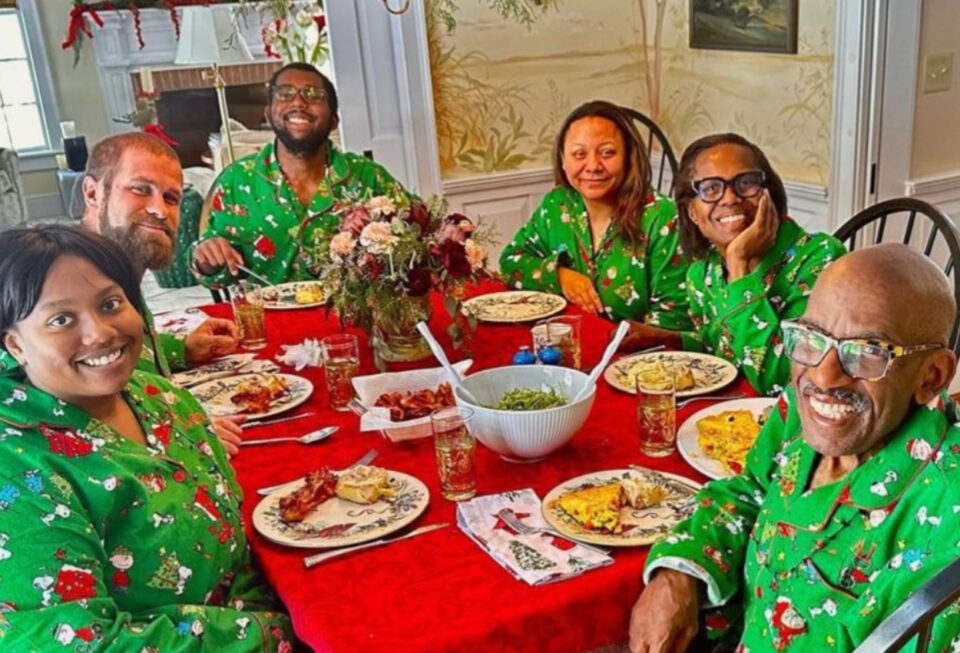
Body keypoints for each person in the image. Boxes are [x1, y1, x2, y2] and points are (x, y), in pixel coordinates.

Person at [629, 244, 960, 653]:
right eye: (811, 338)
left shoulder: (944, 519)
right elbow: (749, 489)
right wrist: (680, 572)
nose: (823, 375)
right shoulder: (797, 414)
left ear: (932, 376)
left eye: (867, 353)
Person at [0, 225, 294, 650]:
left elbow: (234, 545)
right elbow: (78, 642)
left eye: (111, 303)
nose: (100, 332)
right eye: (61, 319)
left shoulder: (161, 398)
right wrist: (271, 634)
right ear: (16, 345)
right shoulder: (17, 469)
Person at [622, 133, 846, 395]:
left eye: (746, 183)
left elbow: (779, 381)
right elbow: (724, 349)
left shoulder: (821, 260)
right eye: (710, 189)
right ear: (692, 212)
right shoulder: (703, 274)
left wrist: (738, 262)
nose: (730, 198)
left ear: (768, 193)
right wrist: (667, 338)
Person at [78, 132, 245, 457]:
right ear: (93, 192)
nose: (159, 210)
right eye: (141, 190)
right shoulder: (68, 280)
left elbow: (104, 360)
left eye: (171, 198)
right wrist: (167, 429)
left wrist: (178, 348)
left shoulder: (115, 265)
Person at [191, 62, 412, 287]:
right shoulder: (235, 182)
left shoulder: (368, 176)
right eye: (285, 94)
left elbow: (418, 232)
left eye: (314, 95)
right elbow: (216, 276)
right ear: (268, 114)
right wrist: (209, 260)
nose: (298, 102)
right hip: (270, 319)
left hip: (354, 318)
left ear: (334, 120)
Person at [499, 100, 691, 326]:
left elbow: (674, 317)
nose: (593, 166)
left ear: (629, 157)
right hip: (569, 343)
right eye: (579, 154)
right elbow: (511, 262)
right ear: (563, 159)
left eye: (607, 153)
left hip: (636, 355)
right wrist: (559, 276)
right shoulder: (557, 204)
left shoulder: (662, 217)